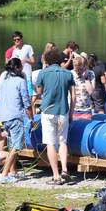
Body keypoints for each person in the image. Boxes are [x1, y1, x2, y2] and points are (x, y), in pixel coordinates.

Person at [34, 48, 75, 185]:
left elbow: (39, 92)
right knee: (63, 142)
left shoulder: (43, 73)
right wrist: (71, 113)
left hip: (48, 111)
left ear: (48, 60)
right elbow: (73, 97)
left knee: (50, 143)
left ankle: (56, 176)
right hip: (63, 111)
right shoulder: (68, 73)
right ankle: (64, 169)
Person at [0, 58, 33, 184]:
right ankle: (4, 174)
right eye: (21, 67)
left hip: (3, 117)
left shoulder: (5, 80)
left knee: (12, 146)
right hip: (14, 117)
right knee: (17, 147)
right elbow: (26, 101)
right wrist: (31, 117)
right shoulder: (20, 81)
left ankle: (13, 172)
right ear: (17, 68)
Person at [71, 55, 95, 119]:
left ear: (84, 66)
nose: (78, 72)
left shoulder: (90, 74)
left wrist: (86, 78)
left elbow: (91, 92)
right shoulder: (71, 74)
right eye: (76, 69)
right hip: (73, 109)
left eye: (80, 69)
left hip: (86, 110)